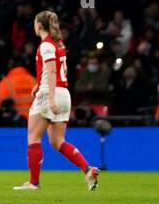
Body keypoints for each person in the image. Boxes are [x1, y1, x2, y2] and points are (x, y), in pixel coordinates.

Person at [14, 11, 100, 191]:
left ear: (39, 26)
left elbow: (52, 71)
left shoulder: (46, 46)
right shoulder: (58, 44)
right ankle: (87, 169)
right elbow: (54, 71)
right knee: (57, 141)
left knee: (33, 137)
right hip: (64, 94)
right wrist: (39, 83)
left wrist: (50, 97)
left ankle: (33, 182)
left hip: (50, 94)